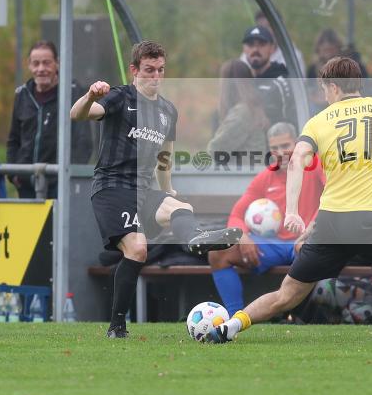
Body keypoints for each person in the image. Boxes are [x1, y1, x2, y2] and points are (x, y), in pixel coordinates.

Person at [208, 56, 372, 344]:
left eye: (324, 89)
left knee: (286, 295)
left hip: (329, 225)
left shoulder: (318, 122)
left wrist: (292, 212)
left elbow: (296, 161)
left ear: (332, 87)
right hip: (368, 221)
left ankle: (230, 327)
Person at [69, 40, 242, 339]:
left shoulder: (167, 111)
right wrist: (89, 95)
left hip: (142, 191)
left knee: (181, 208)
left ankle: (195, 240)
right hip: (111, 188)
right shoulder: (120, 97)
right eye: (149, 70)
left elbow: (165, 156)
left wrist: (169, 189)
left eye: (161, 70)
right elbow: (78, 114)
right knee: (137, 248)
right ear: (134, 70)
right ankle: (117, 326)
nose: (156, 77)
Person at [208, 122, 325, 314]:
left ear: (297, 144)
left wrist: (309, 234)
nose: (280, 152)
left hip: (306, 242)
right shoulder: (265, 177)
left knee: (308, 251)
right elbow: (237, 214)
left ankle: (303, 318)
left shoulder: (315, 164)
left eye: (285, 145)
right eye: (274, 148)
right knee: (218, 253)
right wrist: (243, 237)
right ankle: (234, 317)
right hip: (273, 245)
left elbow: (333, 196)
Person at [6, 41, 93, 199]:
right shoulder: (22, 95)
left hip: (60, 186)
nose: (41, 69)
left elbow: (84, 141)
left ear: (57, 63)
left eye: (46, 63)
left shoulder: (73, 92)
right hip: (26, 185)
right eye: (36, 63)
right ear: (29, 65)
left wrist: (70, 175)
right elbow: (13, 139)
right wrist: (14, 175)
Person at [207, 60, 268, 159]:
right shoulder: (250, 109)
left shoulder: (242, 113)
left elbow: (215, 150)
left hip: (243, 173)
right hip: (247, 172)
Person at [237, 25, 294, 127]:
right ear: (244, 49)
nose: (255, 49)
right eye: (250, 45)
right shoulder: (242, 80)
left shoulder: (282, 80)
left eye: (262, 44)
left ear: (272, 48)